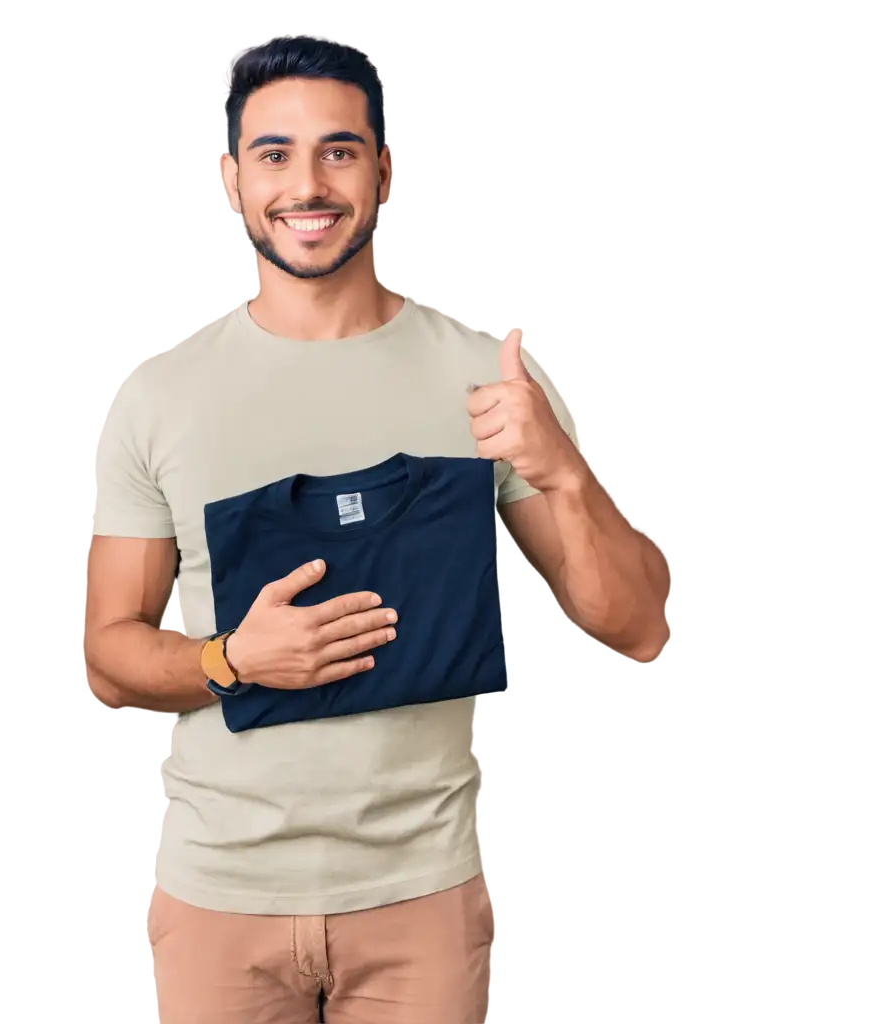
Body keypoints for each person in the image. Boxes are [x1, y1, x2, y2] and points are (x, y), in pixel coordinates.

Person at [83, 35, 670, 1024]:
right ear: (230, 180)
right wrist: (233, 658)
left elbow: (636, 625)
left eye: (338, 151)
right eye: (272, 154)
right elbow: (106, 658)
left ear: (383, 171)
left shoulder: (489, 378)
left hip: (424, 902)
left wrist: (559, 467)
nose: (305, 183)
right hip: (218, 899)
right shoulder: (154, 398)